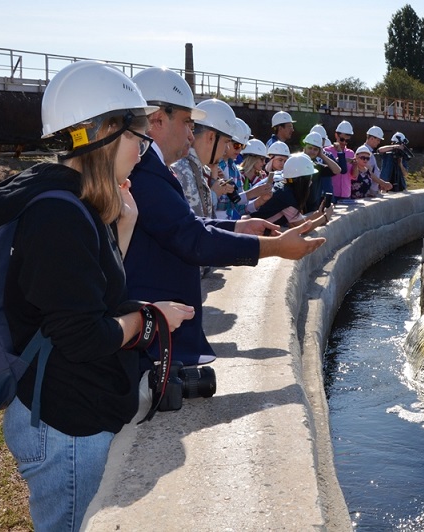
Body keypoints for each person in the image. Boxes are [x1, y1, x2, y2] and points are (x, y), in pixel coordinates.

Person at [0, 60, 195, 530]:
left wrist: (124, 226)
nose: (143, 146)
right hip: (63, 425)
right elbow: (84, 335)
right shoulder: (58, 217)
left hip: (72, 412)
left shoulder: (80, 205)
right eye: (136, 134)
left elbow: (95, 294)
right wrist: (151, 319)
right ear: (103, 132)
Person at [127, 67, 325, 367]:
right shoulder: (145, 172)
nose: (191, 135)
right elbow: (191, 238)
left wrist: (238, 226)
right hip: (153, 345)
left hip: (163, 338)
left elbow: (186, 225)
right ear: (156, 120)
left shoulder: (153, 169)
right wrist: (274, 248)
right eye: (186, 123)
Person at [172, 99, 237, 218]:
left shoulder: (194, 170)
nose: (226, 148)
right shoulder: (183, 172)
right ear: (211, 137)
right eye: (226, 141)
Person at [252, 153, 334, 229]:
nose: (311, 182)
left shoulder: (285, 190)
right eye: (309, 179)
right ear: (302, 180)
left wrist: (318, 214)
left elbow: (297, 221)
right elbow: (303, 228)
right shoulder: (286, 197)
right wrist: (325, 217)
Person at [302, 131, 340, 212]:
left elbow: (337, 170)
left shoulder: (317, 166)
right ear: (304, 147)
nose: (312, 151)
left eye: (315, 149)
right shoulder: (294, 161)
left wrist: (322, 156)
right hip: (297, 208)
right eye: (310, 148)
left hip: (312, 208)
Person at [359, 125, 394, 196]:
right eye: (378, 140)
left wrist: (379, 184)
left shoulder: (369, 151)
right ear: (371, 138)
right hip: (368, 191)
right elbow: (367, 173)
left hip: (371, 190)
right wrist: (383, 183)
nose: (379, 142)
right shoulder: (365, 151)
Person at [327, 120, 354, 202]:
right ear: (336, 135)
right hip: (332, 193)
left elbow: (353, 176)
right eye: (342, 139)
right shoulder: (327, 152)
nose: (344, 143)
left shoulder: (351, 153)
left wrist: (355, 165)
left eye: (347, 141)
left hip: (346, 193)